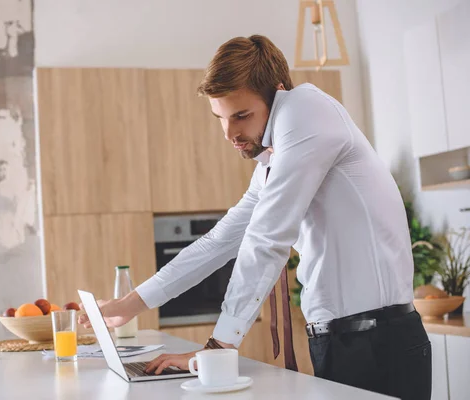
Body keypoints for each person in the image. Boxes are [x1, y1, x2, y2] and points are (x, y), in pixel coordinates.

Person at [78, 35, 431, 399]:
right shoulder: (271, 162)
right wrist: (130, 304)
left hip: (379, 342)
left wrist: (218, 348)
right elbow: (220, 241)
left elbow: (267, 238)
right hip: (340, 342)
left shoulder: (305, 109)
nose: (230, 133)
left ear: (277, 93)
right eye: (221, 118)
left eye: (241, 116)